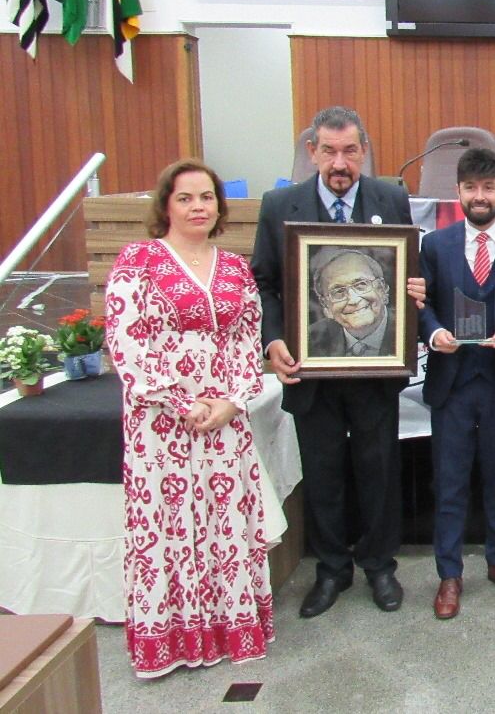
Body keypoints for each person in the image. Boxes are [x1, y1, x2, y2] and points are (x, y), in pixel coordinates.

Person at [252, 106, 423, 618]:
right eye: (329, 150)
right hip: (310, 371)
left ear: (363, 152)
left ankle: (379, 565)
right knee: (323, 472)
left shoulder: (390, 199)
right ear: (312, 152)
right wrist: (273, 339)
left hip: (375, 371)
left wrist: (413, 288)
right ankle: (330, 569)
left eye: (350, 151)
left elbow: (402, 272)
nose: (339, 162)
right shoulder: (280, 204)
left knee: (379, 470)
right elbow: (263, 282)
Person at [105, 159, 273, 678]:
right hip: (161, 426)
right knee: (169, 528)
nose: (198, 206)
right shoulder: (138, 262)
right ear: (166, 206)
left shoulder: (235, 269)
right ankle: (172, 641)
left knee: (226, 525)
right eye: (186, 198)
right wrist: (180, 402)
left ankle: (228, 629)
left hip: (225, 420)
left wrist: (233, 401)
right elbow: (126, 341)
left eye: (206, 197)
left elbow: (249, 341)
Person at [419, 146, 495, 620]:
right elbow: (423, 308)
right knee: (449, 483)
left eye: (487, 187)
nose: (479, 196)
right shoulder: (435, 245)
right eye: (470, 188)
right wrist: (433, 332)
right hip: (453, 382)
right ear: (457, 192)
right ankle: (449, 574)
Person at [307, 248, 397, 357]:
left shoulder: (407, 330)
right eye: (339, 291)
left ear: (381, 289)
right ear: (325, 304)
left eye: (361, 285)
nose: (353, 300)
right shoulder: (309, 340)